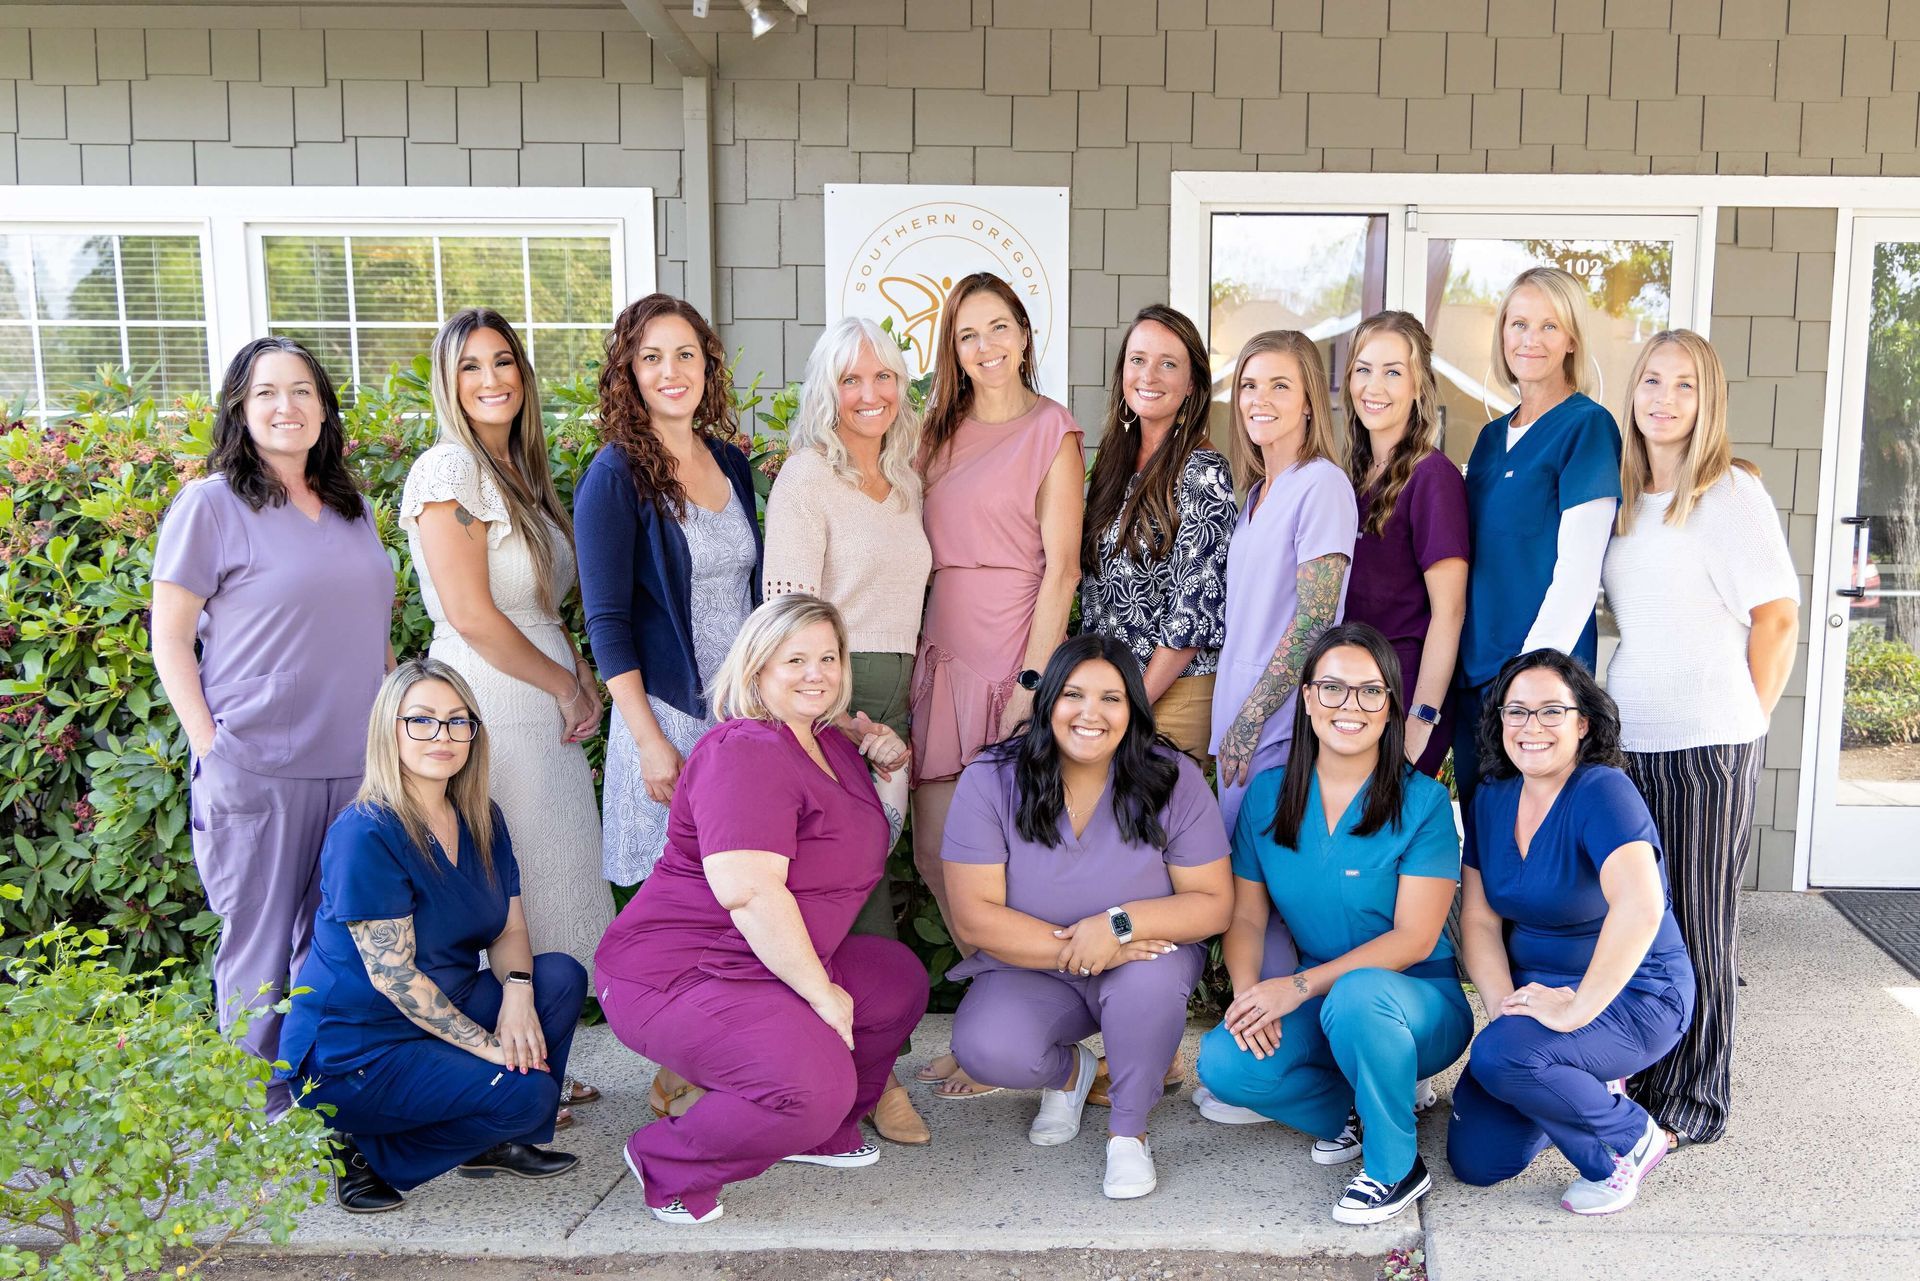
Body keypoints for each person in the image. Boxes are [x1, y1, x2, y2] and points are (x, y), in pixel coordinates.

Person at [597, 594, 925, 1225]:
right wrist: (822, 994)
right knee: (811, 1088)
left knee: (892, 978)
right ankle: (668, 1160)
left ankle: (817, 1134)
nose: (816, 673)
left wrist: (891, 771)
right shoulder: (742, 750)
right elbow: (749, 891)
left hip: (761, 961)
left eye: (828, 658)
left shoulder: (830, 743)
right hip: (678, 973)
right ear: (755, 669)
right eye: (794, 658)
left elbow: (869, 842)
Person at [151, 336, 395, 1119]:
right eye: (266, 393)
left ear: (323, 407)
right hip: (257, 761)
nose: (286, 407)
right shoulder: (212, 504)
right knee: (259, 949)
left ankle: (321, 1094)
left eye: (301, 391)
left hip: (355, 762)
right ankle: (253, 1113)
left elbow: (374, 629)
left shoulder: (351, 508)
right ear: (241, 409)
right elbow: (169, 635)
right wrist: (207, 741)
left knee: (333, 943)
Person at [400, 308, 614, 1125]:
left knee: (549, 881)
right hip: (487, 701)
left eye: (503, 362)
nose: (491, 380)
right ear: (448, 384)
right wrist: (563, 685)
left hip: (542, 697)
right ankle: (493, 1068)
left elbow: (539, 606)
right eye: (469, 367)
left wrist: (581, 676)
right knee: (501, 885)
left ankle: (540, 1059)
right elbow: (474, 612)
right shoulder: (448, 468)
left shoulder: (518, 471)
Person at [277, 659, 586, 1213]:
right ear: (388, 731)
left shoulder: (481, 817)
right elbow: (394, 977)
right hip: (357, 1043)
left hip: (443, 1000)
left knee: (559, 977)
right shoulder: (366, 832)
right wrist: (492, 1048)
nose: (442, 736)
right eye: (420, 721)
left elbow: (511, 926)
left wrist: (517, 993)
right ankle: (360, 1147)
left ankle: (484, 1138)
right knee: (525, 1093)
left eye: (457, 721)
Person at [1195, 623, 1470, 1225]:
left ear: (1392, 705)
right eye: (1333, 689)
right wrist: (1248, 996)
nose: (1351, 706)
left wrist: (1293, 987)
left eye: (1370, 692)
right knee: (1224, 1064)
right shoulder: (1267, 797)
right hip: (1323, 998)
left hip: (1415, 1002)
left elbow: (1414, 939)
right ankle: (1358, 1112)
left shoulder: (1420, 801)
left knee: (1360, 994)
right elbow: (1245, 913)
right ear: (1306, 697)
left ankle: (1395, 1167)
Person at [941, 634, 1232, 1200]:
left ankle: (1129, 1133)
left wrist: (1117, 928)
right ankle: (1071, 1075)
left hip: (1143, 959)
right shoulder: (991, 777)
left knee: (1147, 986)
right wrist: (1090, 946)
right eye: (1074, 694)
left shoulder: (1172, 776)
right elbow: (975, 916)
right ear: (1048, 699)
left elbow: (1213, 902)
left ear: (1134, 709)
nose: (1090, 714)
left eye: (1112, 698)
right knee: (987, 1048)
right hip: (1030, 967)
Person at [1602, 329, 1800, 1150]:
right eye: (1652, 380)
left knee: (1702, 925)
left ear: (1707, 399)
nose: (1664, 398)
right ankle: (1647, 1073)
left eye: (1685, 385)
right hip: (1630, 742)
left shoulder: (1730, 495)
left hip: (1708, 742)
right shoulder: (1624, 499)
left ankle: (1693, 1101)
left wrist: (1743, 721)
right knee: (1643, 921)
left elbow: (1778, 618)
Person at [910, 271, 1085, 1099]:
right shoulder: (934, 431)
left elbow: (1063, 570)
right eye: (967, 334)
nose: (985, 347)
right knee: (938, 853)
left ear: (1024, 333)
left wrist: (1031, 682)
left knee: (1012, 865)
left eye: (999, 328)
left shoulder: (1053, 430)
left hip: (1012, 644)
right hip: (940, 647)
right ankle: (995, 1020)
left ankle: (1024, 1033)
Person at [762, 315, 934, 1146]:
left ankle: (831, 1064)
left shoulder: (905, 478)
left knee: (875, 877)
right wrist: (834, 711)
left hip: (896, 704)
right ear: (825, 390)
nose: (869, 394)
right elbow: (786, 616)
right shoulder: (806, 477)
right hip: (832, 701)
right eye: (851, 379)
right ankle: (872, 1079)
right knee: (848, 892)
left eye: (884, 377)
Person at [1446, 650, 1696, 1216]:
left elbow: (1640, 904)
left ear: (1583, 723)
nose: (1532, 727)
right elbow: (1480, 919)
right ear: (1499, 721)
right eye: (1517, 711)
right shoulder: (1491, 797)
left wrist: (1577, 1009)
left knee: (1503, 1060)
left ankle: (1626, 1142)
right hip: (1538, 997)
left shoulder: (1601, 791)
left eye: (1551, 711)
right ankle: (1571, 1080)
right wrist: (1502, 1008)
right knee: (1478, 1162)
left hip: (1632, 993)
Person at [575, 294, 763, 889]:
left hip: (740, 714)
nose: (670, 372)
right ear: (629, 373)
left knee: (745, 892)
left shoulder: (731, 463)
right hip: (668, 719)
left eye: (685, 355)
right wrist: (650, 743)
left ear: (707, 366)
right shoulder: (614, 474)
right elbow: (607, 624)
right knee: (676, 901)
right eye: (651, 357)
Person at [1210, 330, 1358, 986]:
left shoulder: (1320, 485)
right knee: (1248, 899)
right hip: (1235, 723)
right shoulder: (1254, 496)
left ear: (1308, 403)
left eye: (1279, 385)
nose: (1259, 398)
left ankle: (1276, 1045)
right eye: (1248, 384)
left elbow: (1313, 620)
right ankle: (1263, 1046)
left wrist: (1251, 718)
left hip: (1275, 728)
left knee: (1268, 895)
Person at [1455, 266, 1621, 810]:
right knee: (1480, 837)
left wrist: (1527, 688)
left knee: (1534, 837)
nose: (1530, 339)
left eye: (1549, 326)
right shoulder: (1488, 439)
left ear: (1572, 338)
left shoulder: (1587, 427)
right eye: (1519, 323)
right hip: (1475, 671)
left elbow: (1578, 571)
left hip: (1538, 683)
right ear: (1502, 333)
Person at [1078, 304, 1235, 767]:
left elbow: (1194, 609)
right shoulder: (1114, 463)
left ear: (1192, 385)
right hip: (1109, 693)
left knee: (1154, 835)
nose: (1150, 374)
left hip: (1169, 696)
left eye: (1169, 363)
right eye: (1138, 359)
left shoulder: (1204, 472)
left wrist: (1132, 704)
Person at [1339, 311, 1469, 778]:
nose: (1374, 387)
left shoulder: (1433, 478)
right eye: (1363, 370)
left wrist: (1422, 719)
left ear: (1418, 387)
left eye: (1393, 372)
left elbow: (1449, 612)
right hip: (1350, 696)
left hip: (1403, 698)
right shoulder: (1350, 477)